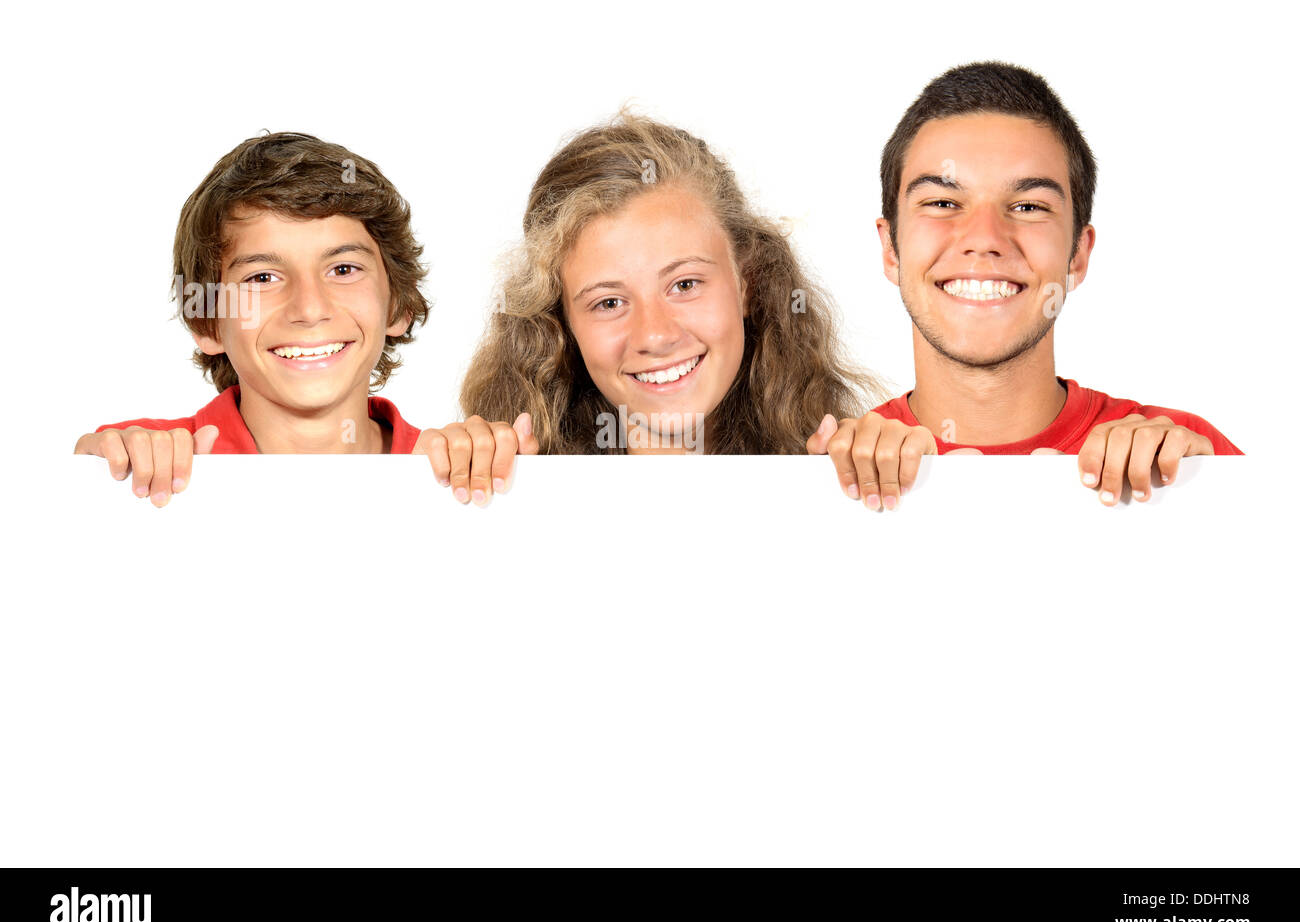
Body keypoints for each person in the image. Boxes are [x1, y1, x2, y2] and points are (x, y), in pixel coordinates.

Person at [806, 61, 1242, 509]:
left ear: (1078, 254)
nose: (984, 239)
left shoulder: (1183, 459)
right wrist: (812, 495)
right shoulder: (829, 472)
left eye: (1029, 206)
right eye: (941, 201)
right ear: (890, 249)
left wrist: (1213, 498)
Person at [73, 132, 532, 507]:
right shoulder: (153, 464)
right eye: (264, 277)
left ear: (398, 306)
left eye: (343, 270)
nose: (309, 308)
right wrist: (99, 472)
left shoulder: (455, 470)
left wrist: (514, 477)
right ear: (207, 321)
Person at [458, 111, 885, 456]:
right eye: (608, 303)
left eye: (684, 285)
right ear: (562, 326)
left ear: (747, 283)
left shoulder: (839, 471)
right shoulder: (505, 485)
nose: (656, 335)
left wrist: (923, 481)